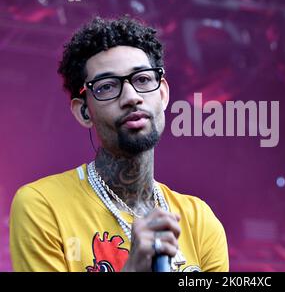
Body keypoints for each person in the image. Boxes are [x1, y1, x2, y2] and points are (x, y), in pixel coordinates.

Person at [9, 16, 229, 272]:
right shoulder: (41, 205)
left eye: (143, 80)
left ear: (163, 94)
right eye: (107, 87)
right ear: (84, 112)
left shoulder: (199, 220)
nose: (131, 97)